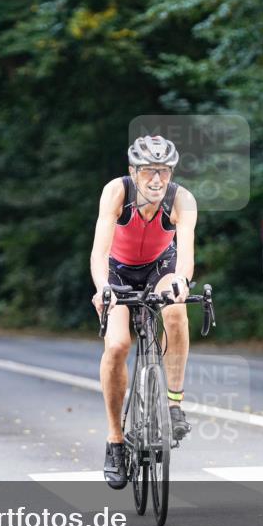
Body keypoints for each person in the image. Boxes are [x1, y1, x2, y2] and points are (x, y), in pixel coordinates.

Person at [90, 135, 198, 489]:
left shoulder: (181, 200)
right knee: (118, 345)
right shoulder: (115, 193)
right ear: (133, 171)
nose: (157, 179)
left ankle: (174, 403)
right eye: (149, 171)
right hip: (117, 271)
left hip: (160, 268)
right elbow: (99, 251)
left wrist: (181, 282)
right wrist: (102, 288)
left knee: (176, 307)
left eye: (164, 172)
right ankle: (115, 441)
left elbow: (184, 260)